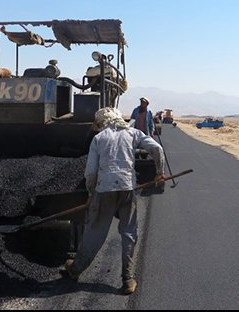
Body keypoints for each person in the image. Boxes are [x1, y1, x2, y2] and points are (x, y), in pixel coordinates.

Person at [64, 107, 165, 295]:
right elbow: (157, 148)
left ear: (103, 123)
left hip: (105, 190)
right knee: (129, 233)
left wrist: (91, 192)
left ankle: (75, 269)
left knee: (95, 232)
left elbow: (91, 172)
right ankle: (128, 280)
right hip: (128, 188)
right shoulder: (133, 133)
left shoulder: (99, 139)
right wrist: (160, 173)